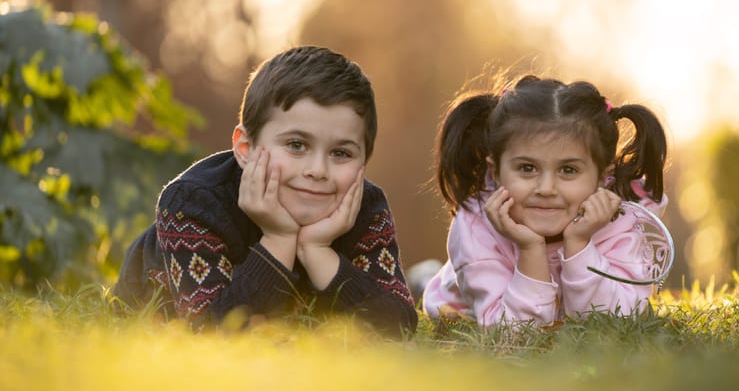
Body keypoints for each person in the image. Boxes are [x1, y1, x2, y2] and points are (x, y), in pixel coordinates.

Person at [113, 46, 417, 336]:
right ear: (245, 149)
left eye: (341, 153)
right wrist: (279, 239)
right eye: (296, 145)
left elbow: (398, 326)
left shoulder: (365, 206)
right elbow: (210, 333)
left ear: (364, 159)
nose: (318, 170)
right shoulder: (192, 203)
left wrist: (317, 251)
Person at [422, 74, 669, 327]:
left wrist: (580, 245)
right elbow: (513, 332)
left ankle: (426, 271)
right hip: (464, 301)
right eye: (527, 168)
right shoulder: (476, 227)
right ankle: (429, 276)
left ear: (601, 178)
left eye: (569, 170)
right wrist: (530, 250)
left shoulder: (622, 222)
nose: (546, 188)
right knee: (436, 279)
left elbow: (612, 323)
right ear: (495, 173)